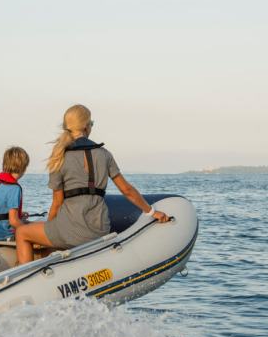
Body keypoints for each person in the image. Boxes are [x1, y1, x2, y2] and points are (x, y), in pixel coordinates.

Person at [14, 104, 170, 264]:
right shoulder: (104, 154)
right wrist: (152, 212)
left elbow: (57, 202)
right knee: (56, 233)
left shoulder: (59, 157)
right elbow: (127, 190)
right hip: (100, 231)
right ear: (86, 126)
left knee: (21, 232)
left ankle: (28, 274)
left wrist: (49, 228)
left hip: (70, 231)